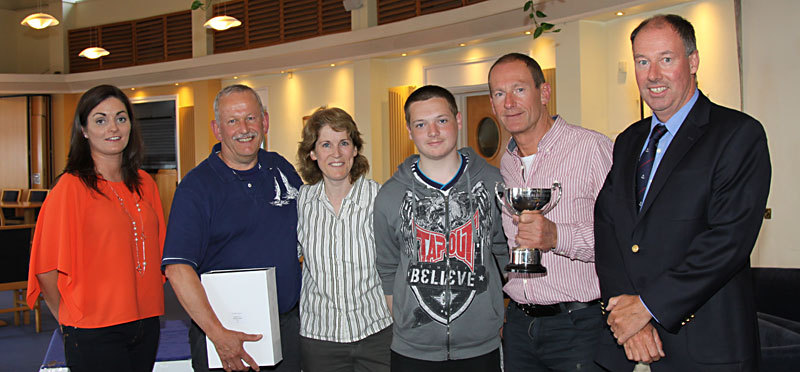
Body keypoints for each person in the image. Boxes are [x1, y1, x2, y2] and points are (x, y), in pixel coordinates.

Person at [594, 14, 771, 371]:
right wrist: (628, 318)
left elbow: (727, 242)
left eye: (666, 59)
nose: (653, 75)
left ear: (693, 61)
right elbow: (608, 227)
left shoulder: (738, 135)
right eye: (642, 62)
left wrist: (646, 307)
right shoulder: (629, 140)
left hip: (706, 348)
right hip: (628, 345)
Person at [162, 84, 303, 372]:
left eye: (251, 118)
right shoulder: (196, 187)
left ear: (265, 121)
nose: (244, 128)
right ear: (217, 129)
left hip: (287, 328)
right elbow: (177, 269)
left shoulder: (281, 169)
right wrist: (218, 334)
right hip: (224, 335)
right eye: (232, 121)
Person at [27, 84, 166, 372]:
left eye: (121, 117)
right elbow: (45, 268)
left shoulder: (145, 184)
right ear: (84, 130)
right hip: (95, 329)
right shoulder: (70, 187)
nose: (113, 127)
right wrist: (69, 319)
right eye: (100, 120)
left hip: (146, 321)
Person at [488, 52, 613, 371]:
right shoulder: (508, 163)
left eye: (519, 89)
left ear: (544, 93)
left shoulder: (591, 149)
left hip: (578, 325)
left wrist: (557, 236)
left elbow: (623, 240)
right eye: (499, 94)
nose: (509, 103)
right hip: (519, 324)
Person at [374, 85, 508, 372]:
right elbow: (387, 266)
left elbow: (503, 252)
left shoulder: (493, 183)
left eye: (441, 120)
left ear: (458, 121)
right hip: (413, 351)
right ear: (410, 131)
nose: (432, 132)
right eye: (421, 124)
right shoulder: (390, 195)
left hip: (481, 347)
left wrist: (494, 313)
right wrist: (406, 321)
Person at [295, 107, 393, 372]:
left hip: (377, 335)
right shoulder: (301, 203)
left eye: (344, 143)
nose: (336, 153)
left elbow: (397, 264)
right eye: (326, 144)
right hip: (320, 340)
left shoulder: (379, 198)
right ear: (313, 153)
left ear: (355, 150)